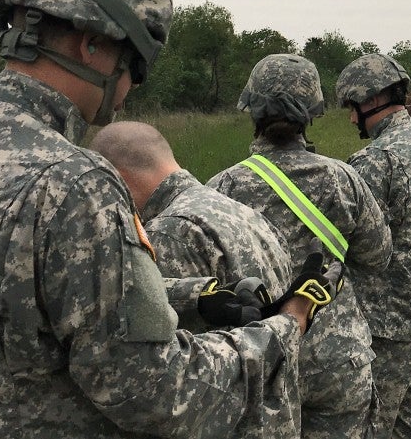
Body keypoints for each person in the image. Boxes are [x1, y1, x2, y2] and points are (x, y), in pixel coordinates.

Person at [0, 0, 325, 439]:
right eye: (136, 63)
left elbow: (36, 306)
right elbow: (158, 394)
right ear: (91, 42)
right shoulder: (74, 181)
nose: (133, 86)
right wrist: (283, 327)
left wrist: (198, 297)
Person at [208, 53, 393, 439]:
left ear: (252, 110)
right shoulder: (344, 180)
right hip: (335, 359)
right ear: (312, 113)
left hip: (263, 362)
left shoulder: (221, 189)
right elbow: (378, 255)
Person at [89, 120, 301, 439]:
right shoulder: (240, 210)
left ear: (118, 181)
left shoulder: (166, 235)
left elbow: (162, 378)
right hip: (276, 416)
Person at [335, 54, 411, 439]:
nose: (352, 120)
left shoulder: (374, 160)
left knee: (371, 429)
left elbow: (350, 242)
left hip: (382, 328)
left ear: (370, 101)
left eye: (353, 108)